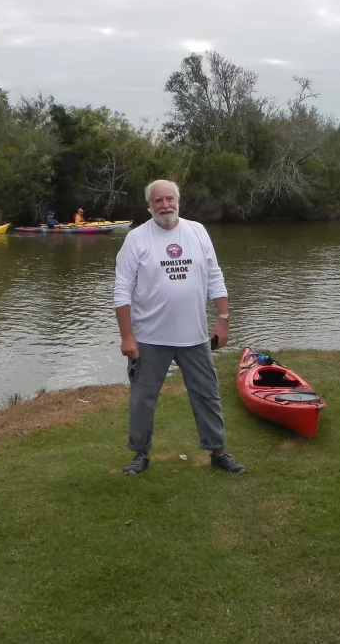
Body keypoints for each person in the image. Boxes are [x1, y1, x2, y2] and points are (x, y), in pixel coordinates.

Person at [113, 179, 246, 477]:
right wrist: (127, 336)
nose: (165, 206)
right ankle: (140, 454)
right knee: (142, 399)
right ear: (149, 206)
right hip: (149, 337)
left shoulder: (197, 231)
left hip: (194, 336)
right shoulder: (136, 239)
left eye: (169, 199)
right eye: (158, 201)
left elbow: (215, 276)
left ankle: (218, 451)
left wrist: (223, 319)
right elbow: (122, 290)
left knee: (207, 394)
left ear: (178, 200)